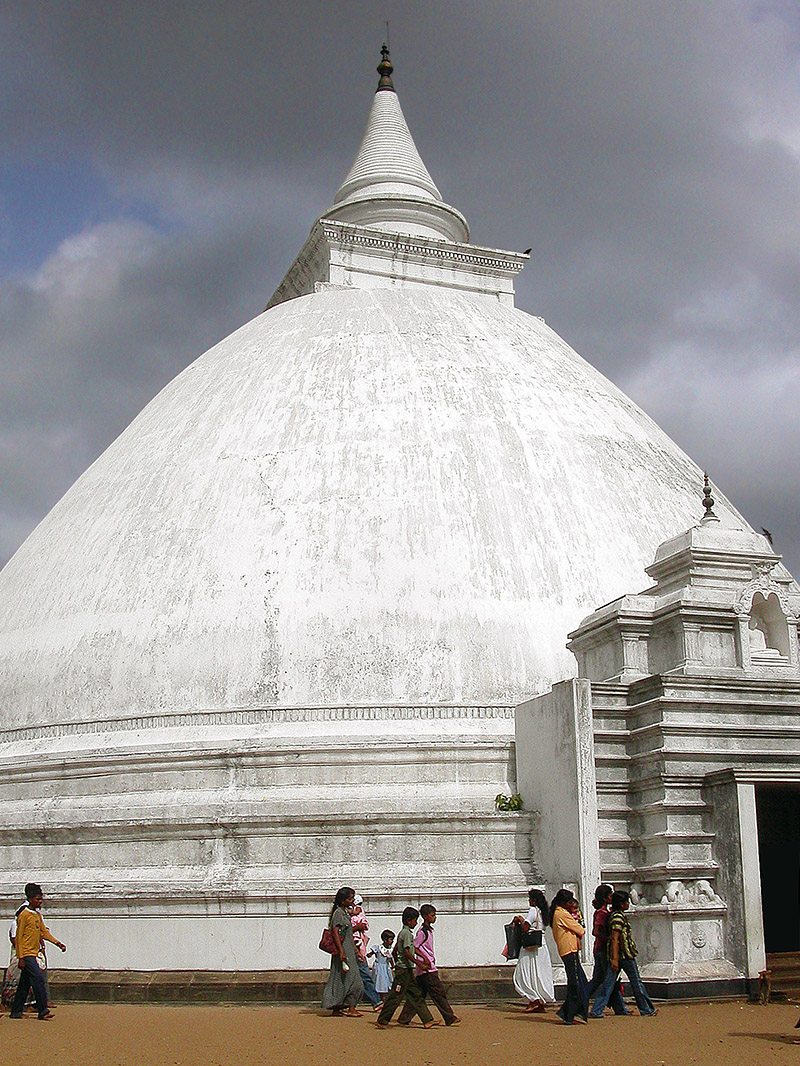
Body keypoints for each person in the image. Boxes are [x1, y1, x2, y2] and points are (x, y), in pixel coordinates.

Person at [590, 890, 656, 1018]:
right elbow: (615, 939)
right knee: (636, 982)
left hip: (617, 955)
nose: (628, 904)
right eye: (626, 902)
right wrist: (615, 959)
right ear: (621, 904)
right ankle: (646, 1009)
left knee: (608, 984)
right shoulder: (617, 917)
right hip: (624, 955)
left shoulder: (614, 916)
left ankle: (597, 1009)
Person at [9, 883, 65, 1021]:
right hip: (27, 954)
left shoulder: (37, 915)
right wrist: (20, 957)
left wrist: (57, 943)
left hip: (34, 953)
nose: (40, 902)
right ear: (30, 899)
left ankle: (16, 1011)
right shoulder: (24, 914)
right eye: (37, 899)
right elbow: (19, 937)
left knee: (24, 984)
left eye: (41, 899)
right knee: (38, 979)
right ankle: (42, 1010)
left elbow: (43, 933)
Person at [397, 904, 460, 1026]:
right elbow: (414, 947)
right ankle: (449, 1017)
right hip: (427, 969)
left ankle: (404, 1018)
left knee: (418, 996)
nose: (434, 917)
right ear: (425, 916)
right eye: (432, 915)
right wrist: (424, 959)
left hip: (425, 969)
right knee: (438, 993)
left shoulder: (428, 931)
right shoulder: (422, 932)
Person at [376, 907, 435, 1029]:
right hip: (404, 971)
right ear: (409, 920)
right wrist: (418, 963)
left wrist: (398, 963)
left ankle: (428, 1020)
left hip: (404, 969)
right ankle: (382, 1020)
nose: (416, 923)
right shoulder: (407, 934)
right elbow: (407, 952)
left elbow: (395, 951)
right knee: (395, 996)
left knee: (416, 995)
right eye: (415, 920)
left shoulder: (402, 933)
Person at [321, 887, 364, 1017]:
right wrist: (342, 952)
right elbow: (335, 932)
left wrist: (355, 950)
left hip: (348, 950)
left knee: (343, 979)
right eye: (350, 899)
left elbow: (347, 933)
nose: (352, 901)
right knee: (354, 980)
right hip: (344, 951)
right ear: (343, 900)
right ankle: (350, 1007)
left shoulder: (345, 913)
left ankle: (338, 1007)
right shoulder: (339, 913)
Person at [586, 884, 627, 1016]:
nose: (612, 897)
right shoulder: (602, 913)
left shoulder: (603, 912)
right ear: (605, 898)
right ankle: (596, 1008)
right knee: (609, 980)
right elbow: (596, 931)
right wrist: (611, 940)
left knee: (600, 979)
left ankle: (620, 1008)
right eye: (610, 895)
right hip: (603, 950)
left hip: (599, 949)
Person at [549, 889, 589, 1024]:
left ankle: (570, 1012)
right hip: (569, 951)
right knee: (575, 983)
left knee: (579, 981)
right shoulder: (562, 914)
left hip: (569, 950)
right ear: (563, 903)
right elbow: (580, 929)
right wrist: (577, 915)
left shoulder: (559, 913)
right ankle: (569, 1013)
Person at [512, 888, 555, 1012]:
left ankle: (534, 999)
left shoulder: (533, 910)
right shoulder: (544, 912)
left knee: (522, 974)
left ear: (534, 900)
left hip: (530, 947)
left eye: (530, 899)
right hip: (541, 945)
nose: (529, 901)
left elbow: (525, 928)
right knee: (538, 974)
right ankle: (539, 1000)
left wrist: (520, 920)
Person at [349, 893, 382, 1011]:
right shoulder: (343, 914)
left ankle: (350, 1005)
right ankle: (376, 1001)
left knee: (356, 976)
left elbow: (363, 925)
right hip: (354, 946)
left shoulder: (356, 912)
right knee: (363, 974)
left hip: (356, 945)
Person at [367, 930, 395, 999]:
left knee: (386, 982)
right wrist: (369, 954)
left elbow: (390, 958)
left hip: (386, 968)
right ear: (385, 940)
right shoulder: (379, 948)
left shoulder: (390, 950)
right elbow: (371, 953)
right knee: (379, 982)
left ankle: (384, 998)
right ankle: (380, 998)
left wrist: (393, 965)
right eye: (391, 939)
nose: (392, 941)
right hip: (379, 968)